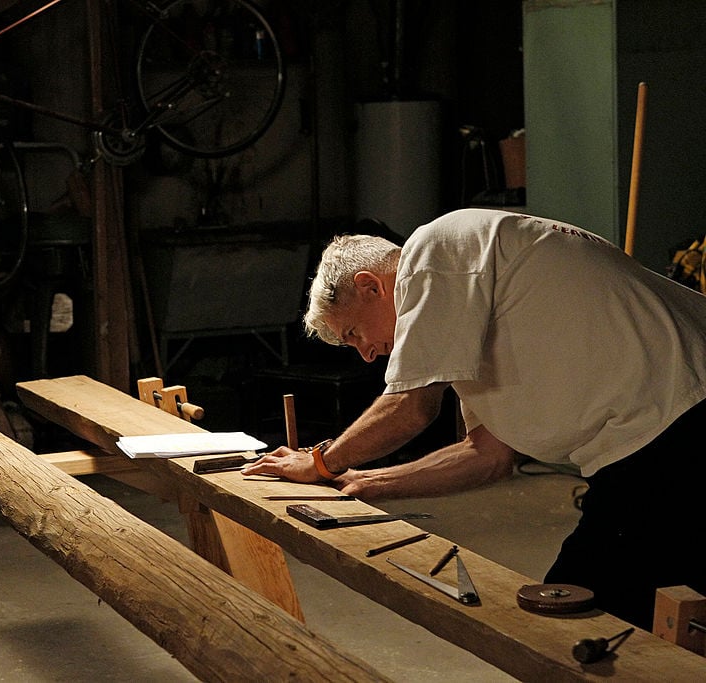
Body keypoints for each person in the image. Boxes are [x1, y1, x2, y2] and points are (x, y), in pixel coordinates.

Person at [242, 207, 706, 630]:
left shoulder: (433, 253)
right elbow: (487, 455)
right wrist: (368, 483)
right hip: (659, 432)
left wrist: (322, 463)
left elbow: (411, 408)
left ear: (371, 286)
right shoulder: (460, 313)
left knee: (574, 615)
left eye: (354, 333)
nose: (366, 355)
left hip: (683, 414)